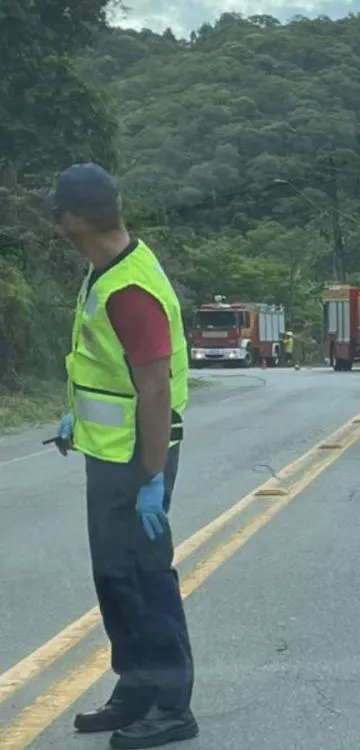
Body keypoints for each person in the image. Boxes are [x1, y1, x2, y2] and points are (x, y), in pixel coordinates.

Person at [47, 164, 198, 749]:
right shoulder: (106, 271)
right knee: (116, 578)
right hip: (110, 455)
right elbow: (108, 373)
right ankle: (135, 689)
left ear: (77, 220)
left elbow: (155, 388)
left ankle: (170, 705)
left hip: (138, 461)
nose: (56, 220)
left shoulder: (129, 289)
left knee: (145, 578)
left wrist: (152, 478)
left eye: (60, 211)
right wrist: (76, 418)